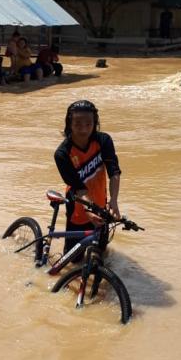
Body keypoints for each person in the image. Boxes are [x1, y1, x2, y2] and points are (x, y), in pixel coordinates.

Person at [54, 100, 121, 258]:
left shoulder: (103, 141)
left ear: (95, 123)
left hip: (102, 204)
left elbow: (114, 172)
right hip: (78, 207)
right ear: (69, 124)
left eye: (88, 123)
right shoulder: (62, 154)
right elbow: (78, 187)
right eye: (77, 123)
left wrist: (114, 201)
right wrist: (89, 210)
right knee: (73, 259)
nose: (83, 129)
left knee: (101, 253)